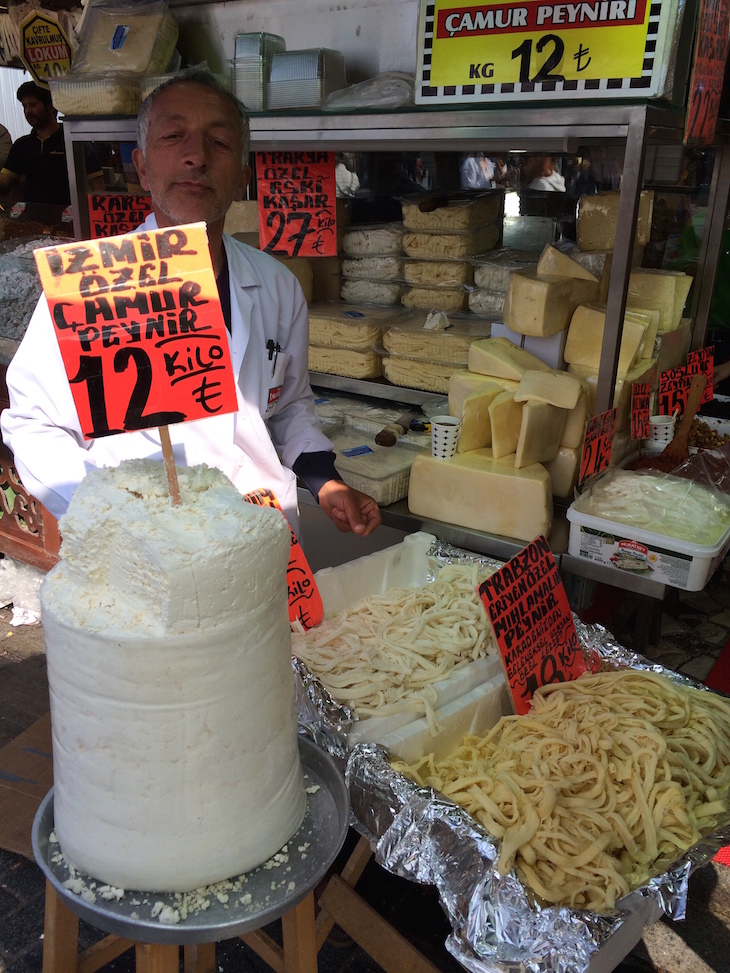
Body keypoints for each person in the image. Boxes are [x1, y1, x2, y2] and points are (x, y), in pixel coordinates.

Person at [1, 68, 381, 539]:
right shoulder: (89, 287)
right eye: (174, 136)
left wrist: (325, 481)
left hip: (259, 537)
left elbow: (288, 405)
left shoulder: (278, 285)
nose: (196, 157)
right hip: (140, 552)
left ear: (242, 176)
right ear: (141, 167)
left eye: (219, 143)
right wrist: (109, 517)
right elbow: (33, 424)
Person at [0, 82, 102, 208]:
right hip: (32, 222)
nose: (27, 111)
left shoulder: (75, 143)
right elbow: (4, 182)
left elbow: (98, 187)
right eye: (24, 106)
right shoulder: (21, 145)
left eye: (33, 105)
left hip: (71, 221)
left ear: (50, 106)